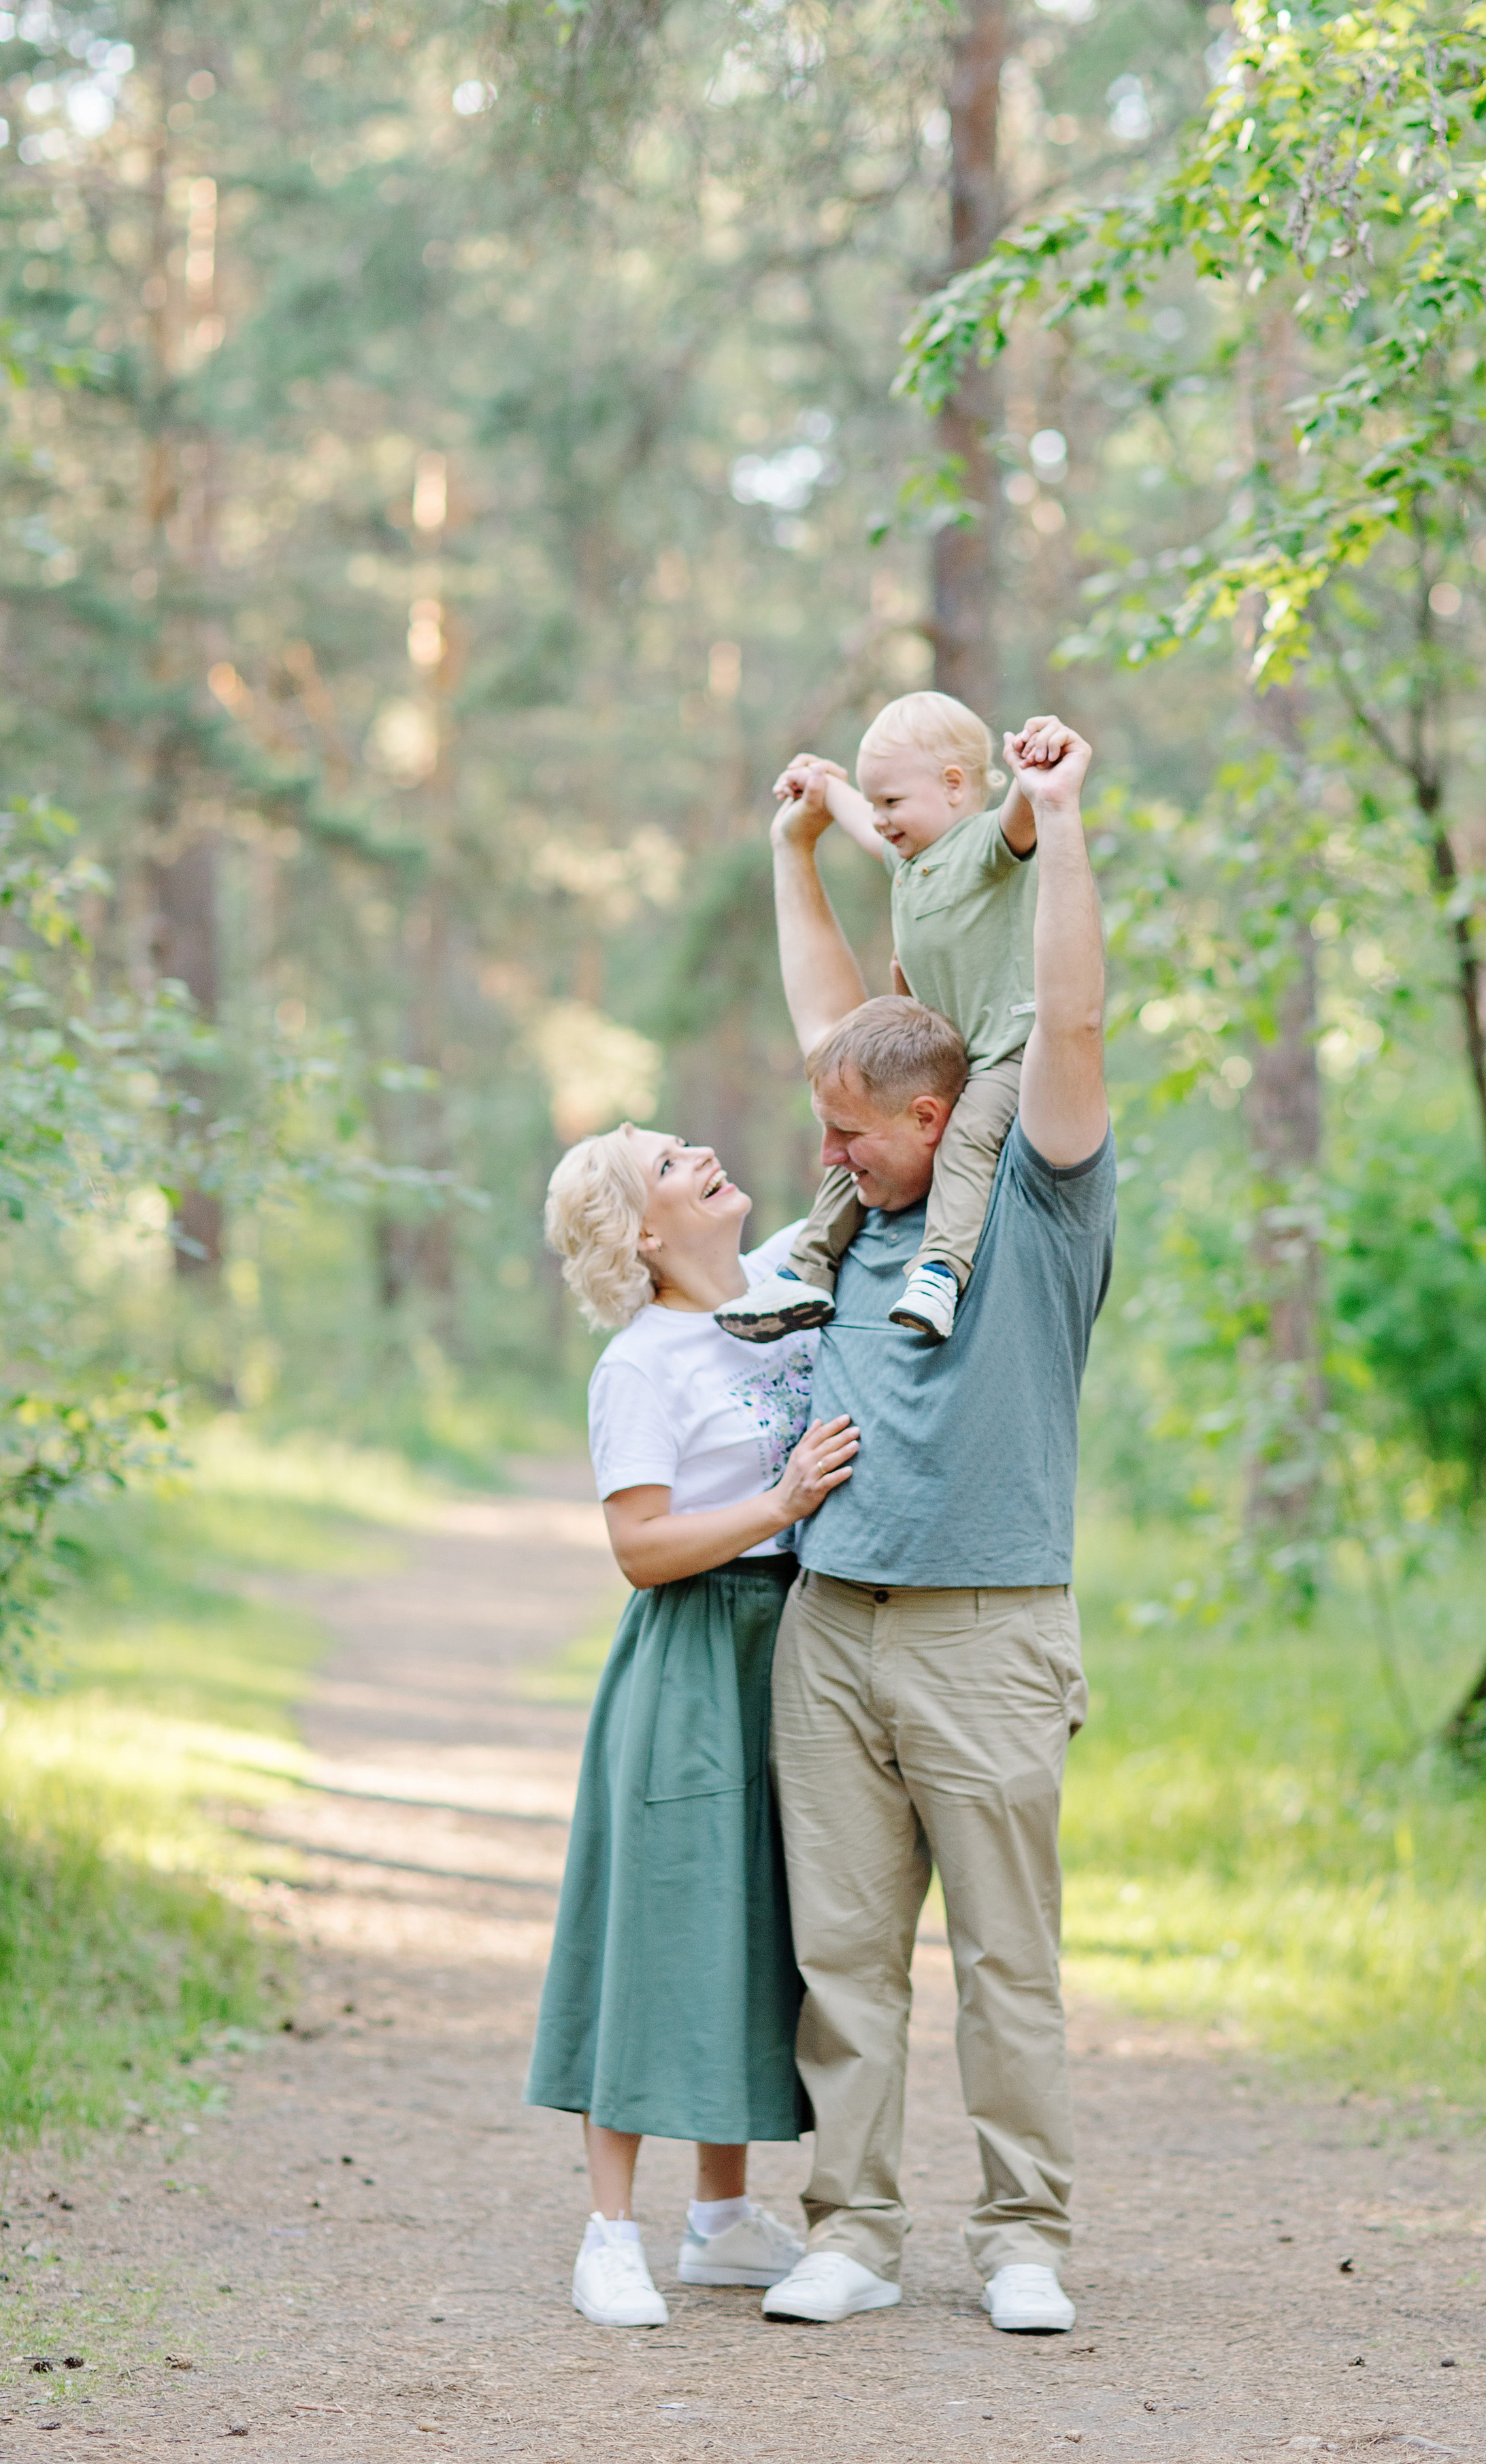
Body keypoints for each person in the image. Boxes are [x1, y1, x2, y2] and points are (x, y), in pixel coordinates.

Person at [755, 718, 1115, 2335]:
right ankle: (849, 2229)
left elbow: (1075, 1019)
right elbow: (832, 1023)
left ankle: (1022, 2237)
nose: (821, 1164)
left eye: (848, 1137)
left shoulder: (1034, 1190)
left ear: (929, 1113)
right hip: (832, 1625)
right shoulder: (866, 1180)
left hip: (985, 1625)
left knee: (1004, 1963)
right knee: (841, 1956)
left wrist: (1055, 820)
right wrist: (795, 853)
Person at [527, 1121, 860, 2329]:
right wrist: (778, 1500)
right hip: (690, 1655)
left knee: (760, 1920)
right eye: (669, 1163)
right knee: (656, 1919)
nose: (705, 1150)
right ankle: (608, 2231)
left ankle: (722, 2218)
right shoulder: (641, 1364)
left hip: (800, 1642)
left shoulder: (781, 1284)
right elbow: (638, 1547)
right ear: (644, 1234)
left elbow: (855, 1149)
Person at [716, 693, 1078, 1348]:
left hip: (1003, 1055)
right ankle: (806, 1271)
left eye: (893, 803)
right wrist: (824, 787)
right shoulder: (908, 863)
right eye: (876, 803)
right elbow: (854, 815)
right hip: (940, 1062)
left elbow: (1023, 814)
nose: (880, 820)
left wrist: (1033, 769)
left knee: (966, 1138)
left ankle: (939, 1271)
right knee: (854, 1137)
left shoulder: (985, 847)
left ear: (952, 786)